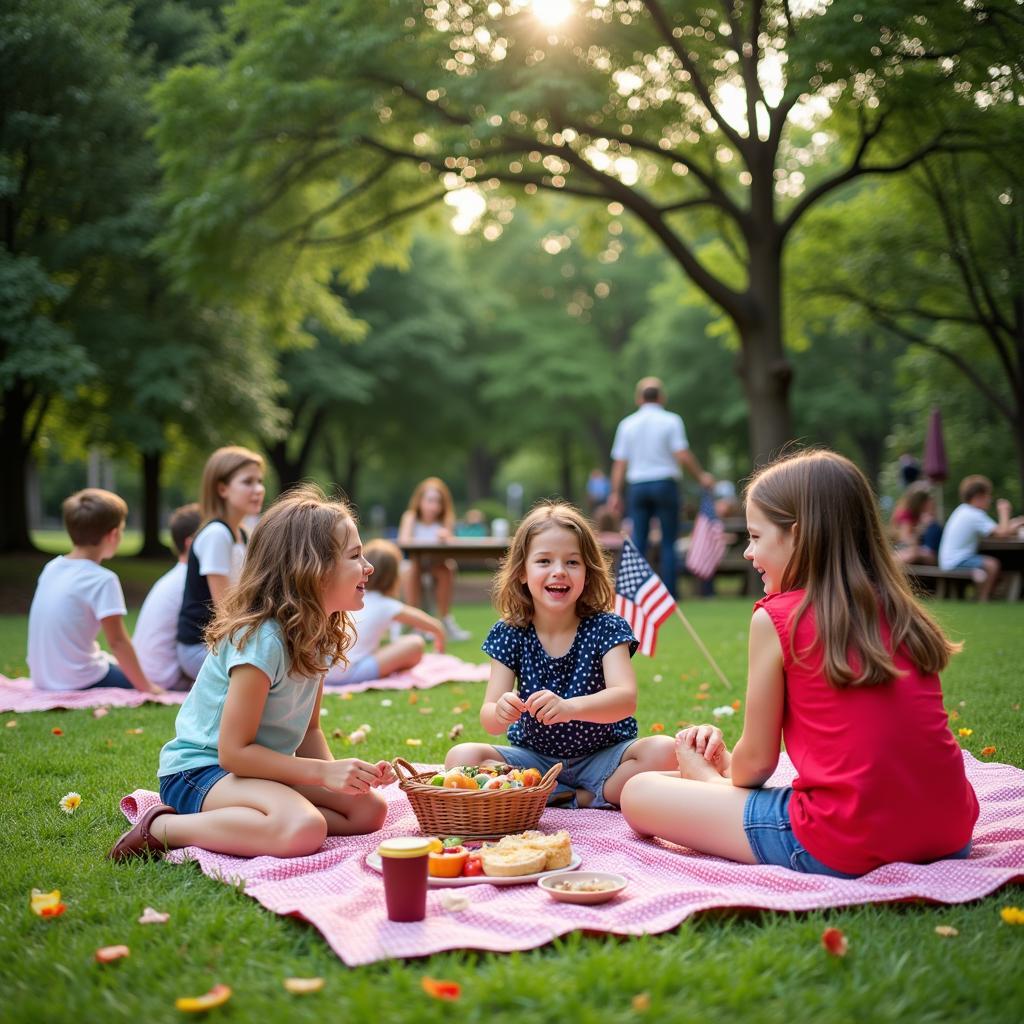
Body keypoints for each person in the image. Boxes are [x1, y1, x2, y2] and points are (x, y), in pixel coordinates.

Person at [619, 450, 979, 878]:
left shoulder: (775, 617)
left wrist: (707, 777)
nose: (750, 553)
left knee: (639, 793)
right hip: (950, 830)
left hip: (840, 838)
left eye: (756, 536)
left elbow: (755, 767)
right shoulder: (903, 611)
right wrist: (724, 760)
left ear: (799, 534)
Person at [109, 485, 394, 861]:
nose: (368, 567)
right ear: (312, 569)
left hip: (256, 772)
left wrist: (342, 775)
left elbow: (309, 732)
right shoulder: (263, 639)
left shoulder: (322, 631)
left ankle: (260, 822)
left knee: (368, 810)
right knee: (304, 828)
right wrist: (322, 777)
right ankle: (161, 828)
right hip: (201, 771)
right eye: (355, 556)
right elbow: (233, 752)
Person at [444, 501, 677, 809]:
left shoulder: (607, 626)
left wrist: (568, 708)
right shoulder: (510, 632)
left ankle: (568, 796)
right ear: (522, 573)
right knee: (461, 758)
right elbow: (490, 719)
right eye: (544, 561)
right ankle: (579, 797)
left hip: (604, 757)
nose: (558, 572)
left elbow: (625, 699)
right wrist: (500, 710)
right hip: (534, 763)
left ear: (588, 572)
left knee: (666, 751)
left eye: (572, 562)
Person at [27, 489, 162, 694]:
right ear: (114, 534)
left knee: (113, 663)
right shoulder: (102, 580)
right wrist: (147, 687)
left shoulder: (52, 567)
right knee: (146, 675)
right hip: (77, 679)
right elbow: (117, 642)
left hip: (42, 677)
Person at [608, 377, 714, 598]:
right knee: (668, 542)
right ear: (661, 397)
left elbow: (620, 463)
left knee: (639, 540)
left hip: (637, 485)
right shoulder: (671, 421)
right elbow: (682, 454)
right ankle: (669, 594)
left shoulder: (627, 424)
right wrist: (701, 476)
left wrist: (615, 493)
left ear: (639, 398)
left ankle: (635, 594)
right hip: (665, 484)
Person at [177, 446, 266, 680]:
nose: (258, 490)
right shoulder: (216, 534)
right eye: (248, 482)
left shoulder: (243, 534)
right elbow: (225, 608)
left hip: (229, 640)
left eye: (259, 481)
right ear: (222, 488)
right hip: (201, 647)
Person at [325, 539, 446, 686]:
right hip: (349, 674)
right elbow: (434, 626)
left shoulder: (349, 598)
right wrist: (440, 640)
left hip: (325, 671)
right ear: (394, 578)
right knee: (415, 643)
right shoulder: (387, 605)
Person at [132, 504, 202, 691]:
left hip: (149, 670)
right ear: (191, 543)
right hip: (164, 676)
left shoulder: (175, 577)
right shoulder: (189, 582)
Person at [398, 476, 470, 641]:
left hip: (435, 564)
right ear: (420, 501)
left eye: (438, 502)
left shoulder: (444, 521)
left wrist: (447, 539)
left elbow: (451, 550)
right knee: (413, 567)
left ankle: (445, 620)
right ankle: (417, 625)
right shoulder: (410, 517)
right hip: (412, 565)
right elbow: (404, 542)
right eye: (430, 501)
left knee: (447, 568)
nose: (434, 506)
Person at [938, 475, 1024, 601]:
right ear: (978, 496)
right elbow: (1002, 533)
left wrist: (1016, 522)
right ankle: (983, 599)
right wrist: (1004, 511)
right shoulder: (974, 514)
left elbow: (998, 529)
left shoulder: (964, 510)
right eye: (988, 496)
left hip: (949, 559)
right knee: (992, 565)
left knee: (991, 563)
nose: (990, 500)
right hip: (956, 561)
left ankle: (983, 597)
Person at [890, 482, 940, 566]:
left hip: (913, 548)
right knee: (915, 556)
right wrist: (921, 528)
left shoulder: (918, 515)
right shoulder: (906, 515)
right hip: (903, 548)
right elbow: (905, 537)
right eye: (927, 501)